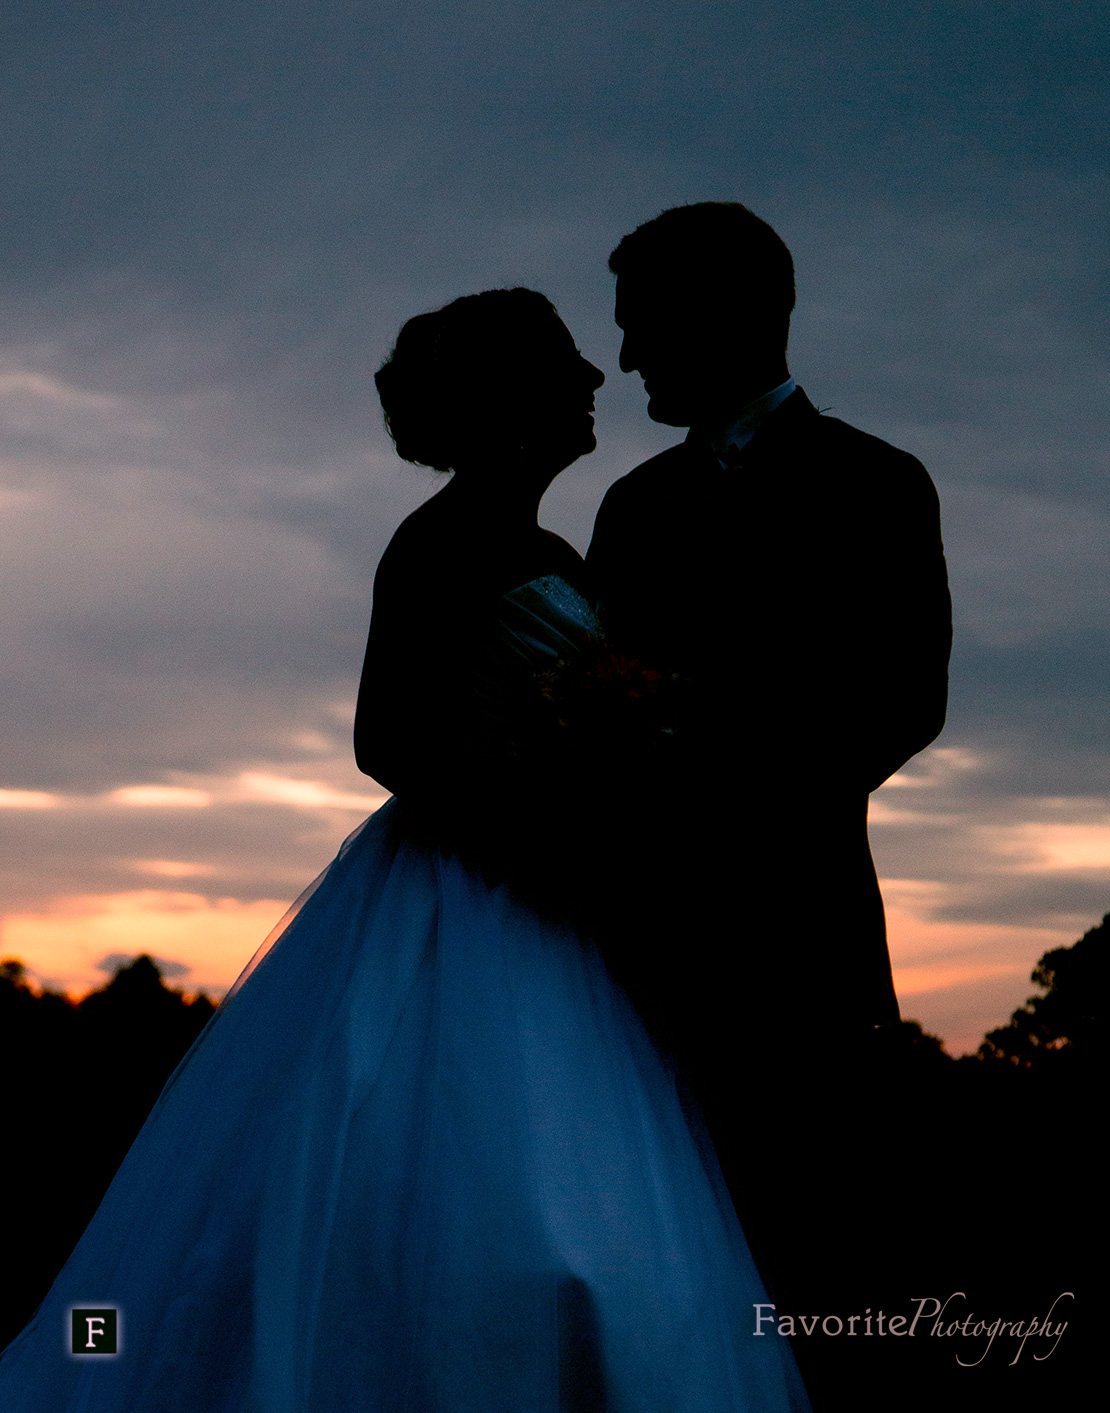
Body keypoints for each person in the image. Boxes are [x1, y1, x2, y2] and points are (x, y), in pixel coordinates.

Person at [0, 287, 810, 1411]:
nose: (593, 380)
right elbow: (387, 738)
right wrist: (530, 828)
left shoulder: (546, 546)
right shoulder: (442, 543)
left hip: (556, 896)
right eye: (567, 362)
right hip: (467, 889)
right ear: (513, 395)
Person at [586, 202, 953, 1367]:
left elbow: (901, 701)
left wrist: (699, 750)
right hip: (633, 963)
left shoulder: (877, 484)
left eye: (645, 324)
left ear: (737, 313)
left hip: (802, 949)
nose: (631, 356)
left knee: (817, 1280)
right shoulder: (631, 509)